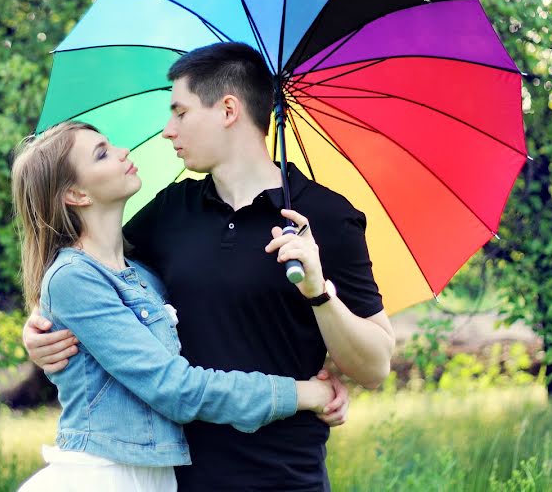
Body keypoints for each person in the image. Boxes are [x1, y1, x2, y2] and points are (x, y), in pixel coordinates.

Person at [24, 42, 395, 490]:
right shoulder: (170, 212)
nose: (167, 130)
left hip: (285, 475)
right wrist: (39, 329)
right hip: (179, 476)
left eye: (180, 112)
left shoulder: (328, 217)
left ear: (228, 110)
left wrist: (319, 292)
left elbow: (374, 365)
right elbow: (99, 276)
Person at [11, 120, 342, 492]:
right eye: (103, 153)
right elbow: (174, 389)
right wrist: (300, 394)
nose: (123, 152)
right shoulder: (74, 277)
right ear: (77, 194)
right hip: (104, 473)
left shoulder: (143, 275)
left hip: (157, 476)